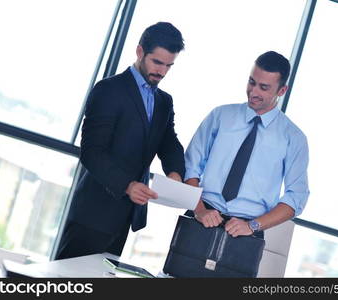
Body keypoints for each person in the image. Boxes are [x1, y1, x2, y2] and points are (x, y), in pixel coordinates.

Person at [55, 22, 186, 260]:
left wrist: (176, 173)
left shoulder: (164, 102)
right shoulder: (108, 90)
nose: (162, 71)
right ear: (139, 52)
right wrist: (127, 185)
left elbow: (168, 143)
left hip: (125, 216)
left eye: (169, 65)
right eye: (157, 62)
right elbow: (92, 152)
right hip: (92, 215)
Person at [184, 51, 309, 264]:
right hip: (201, 217)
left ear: (282, 90)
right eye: (252, 82)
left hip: (246, 233)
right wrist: (200, 211)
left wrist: (252, 226)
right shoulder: (220, 116)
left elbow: (296, 198)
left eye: (264, 87)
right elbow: (190, 167)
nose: (253, 92)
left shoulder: (293, 139)